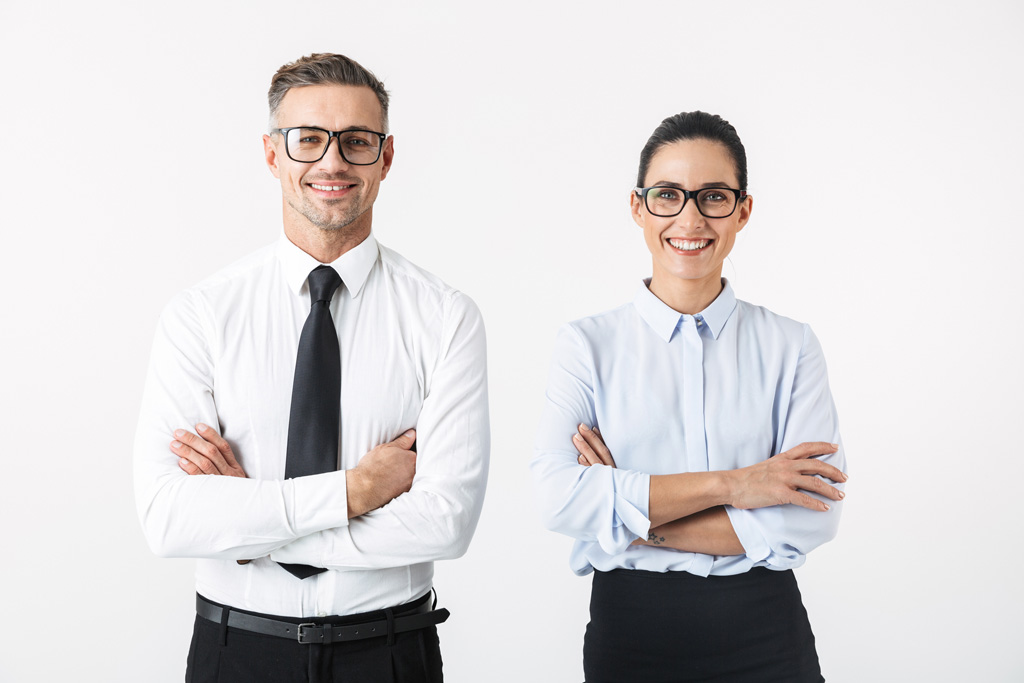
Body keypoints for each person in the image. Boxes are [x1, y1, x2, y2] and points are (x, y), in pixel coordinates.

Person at [134, 53, 489, 683]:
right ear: (273, 155)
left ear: (385, 159)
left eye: (356, 141)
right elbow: (169, 517)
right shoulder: (201, 315)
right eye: (308, 140)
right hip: (235, 652)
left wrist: (253, 526)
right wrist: (356, 491)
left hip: (389, 653)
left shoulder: (445, 317)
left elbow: (446, 522)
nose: (332, 162)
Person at [531, 111, 848, 683]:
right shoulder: (587, 345)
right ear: (638, 207)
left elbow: (812, 518)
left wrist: (628, 511)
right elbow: (559, 500)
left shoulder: (790, 345)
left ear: (743, 210)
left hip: (766, 632)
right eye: (668, 195)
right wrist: (737, 485)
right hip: (631, 634)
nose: (690, 217)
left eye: (714, 197)